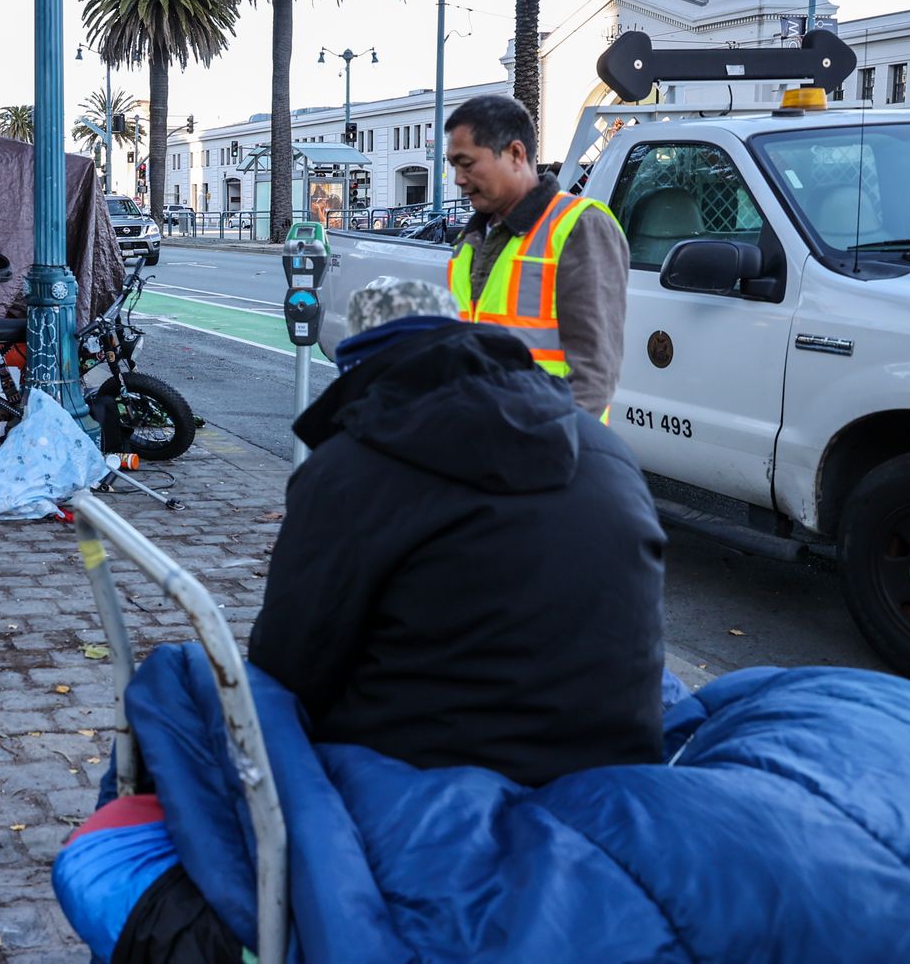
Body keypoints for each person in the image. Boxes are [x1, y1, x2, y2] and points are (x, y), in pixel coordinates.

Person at [248, 278, 666, 787]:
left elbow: (290, 662)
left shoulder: (349, 470)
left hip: (430, 774)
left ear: (358, 365)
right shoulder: (603, 446)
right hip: (615, 756)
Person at [443, 94, 629, 416]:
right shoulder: (471, 237)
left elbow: (592, 376)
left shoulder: (579, 226)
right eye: (454, 166)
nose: (459, 179)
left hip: (542, 450)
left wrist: (542, 449)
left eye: (467, 164)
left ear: (516, 153)